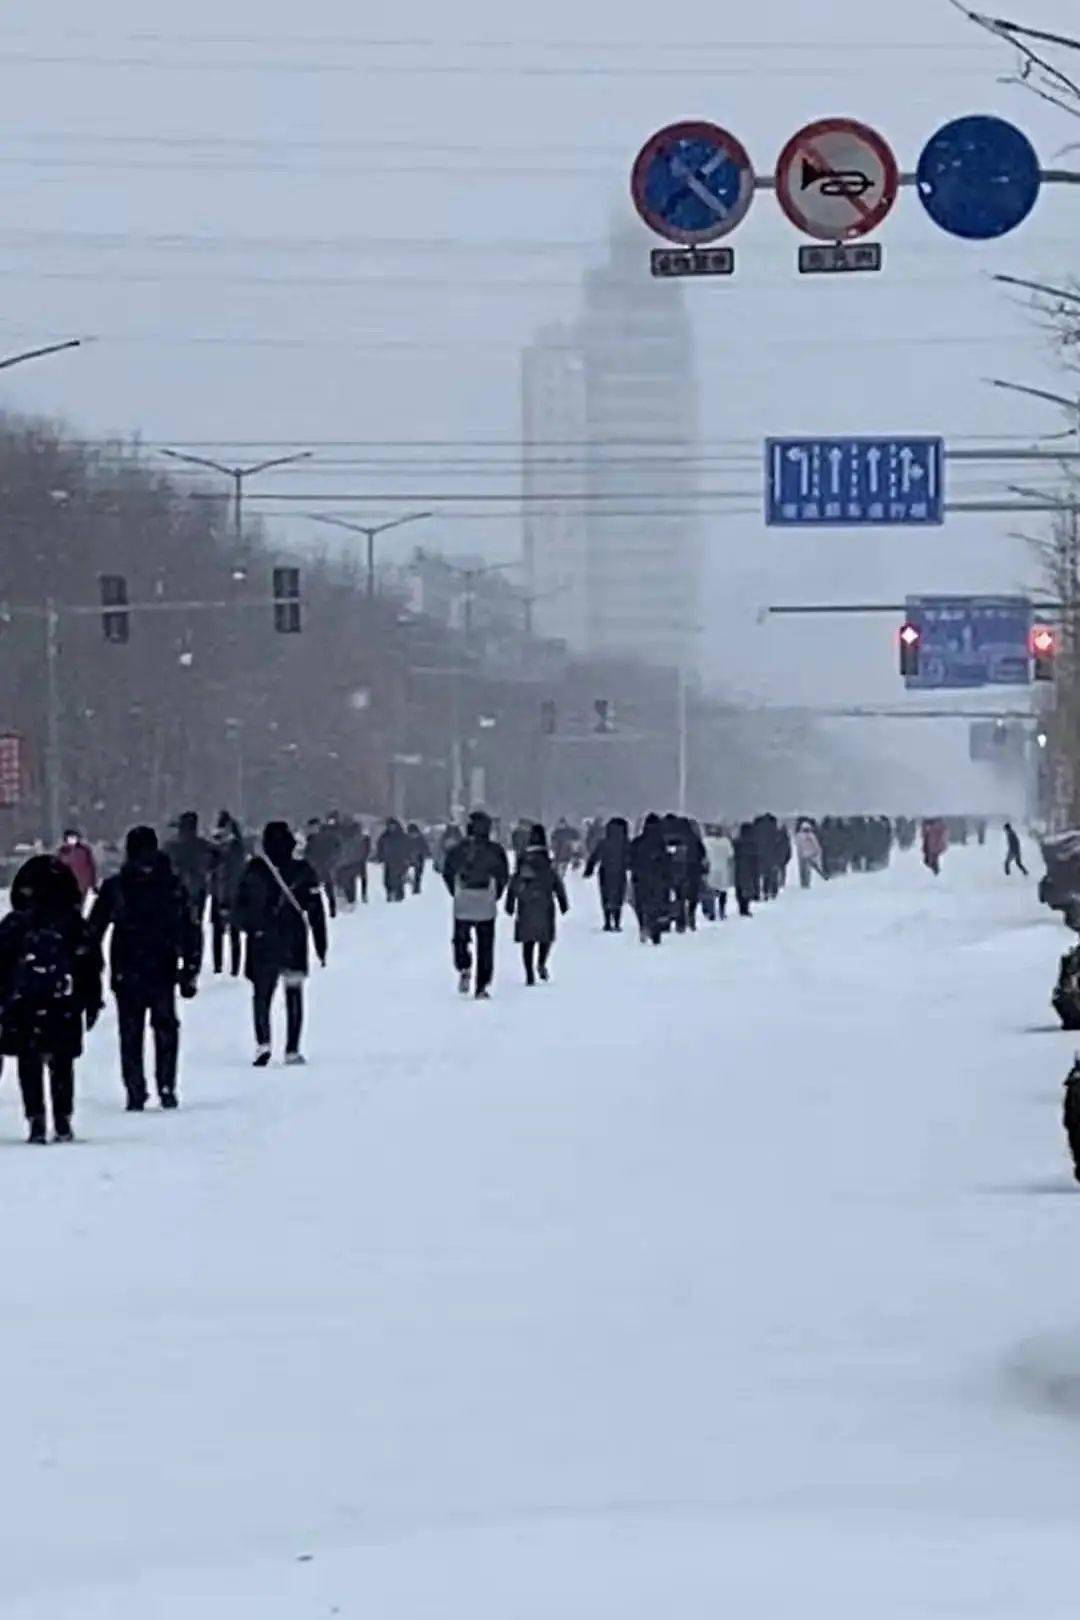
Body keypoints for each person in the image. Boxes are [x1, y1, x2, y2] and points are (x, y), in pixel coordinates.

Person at [89, 826, 200, 1111]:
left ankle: (135, 1089)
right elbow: (190, 928)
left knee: (130, 1031)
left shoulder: (117, 886)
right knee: (165, 1027)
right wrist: (190, 966)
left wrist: (91, 965)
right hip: (162, 966)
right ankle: (166, 1085)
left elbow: (94, 930)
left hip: (127, 966)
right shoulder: (172, 884)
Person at [0, 854, 102, 1142]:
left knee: (28, 1061)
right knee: (61, 1061)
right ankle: (62, 1117)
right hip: (63, 1002)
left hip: (23, 1003)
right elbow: (90, 964)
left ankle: (35, 1117)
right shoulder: (71, 924)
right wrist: (91, 1000)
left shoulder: (15, 924)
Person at [236, 821, 328, 1067]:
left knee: (262, 995)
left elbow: (239, 905)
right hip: (293, 939)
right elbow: (315, 910)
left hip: (262, 940)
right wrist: (321, 945)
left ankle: (263, 1042)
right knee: (294, 994)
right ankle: (292, 1048)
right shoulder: (303, 870)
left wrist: (251, 928)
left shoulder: (254, 870)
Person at [442, 809, 510, 998]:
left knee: (460, 938)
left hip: (463, 898)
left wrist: (454, 891)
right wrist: (496, 894)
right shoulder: (495, 851)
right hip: (485, 900)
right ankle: (482, 985)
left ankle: (464, 965)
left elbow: (447, 872)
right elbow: (503, 875)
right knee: (486, 945)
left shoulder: (459, 850)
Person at [506, 824, 569, 985]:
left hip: (526, 903)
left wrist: (510, 902)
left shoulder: (523, 859)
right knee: (545, 937)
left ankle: (529, 973)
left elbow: (515, 880)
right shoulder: (546, 859)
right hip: (545, 901)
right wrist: (563, 902)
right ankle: (541, 963)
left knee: (528, 941)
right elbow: (555, 880)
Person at [164, 810, 216, 945]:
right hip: (195, 889)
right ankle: (192, 957)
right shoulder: (202, 846)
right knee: (193, 926)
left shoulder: (172, 846)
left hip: (181, 890)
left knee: (179, 924)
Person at [210, 812, 247, 974]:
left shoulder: (232, 850)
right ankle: (226, 966)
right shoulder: (231, 850)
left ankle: (230, 966)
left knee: (228, 932)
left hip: (228, 892)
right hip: (225, 892)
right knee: (227, 932)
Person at [629, 813, 672, 945]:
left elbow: (630, 859)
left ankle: (643, 925)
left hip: (640, 878)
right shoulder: (662, 843)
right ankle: (655, 932)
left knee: (641, 905)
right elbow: (666, 863)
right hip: (659, 879)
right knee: (657, 906)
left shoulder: (637, 842)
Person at [584, 816, 631, 931]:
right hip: (620, 872)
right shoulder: (626, 842)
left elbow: (594, 856)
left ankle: (607, 922)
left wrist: (589, 869)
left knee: (605, 896)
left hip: (604, 871)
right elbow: (631, 857)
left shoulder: (604, 842)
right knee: (618, 896)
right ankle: (616, 921)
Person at [304, 816, 341, 921]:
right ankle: (315, 910)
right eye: (311, 827)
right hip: (315, 867)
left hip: (327, 866)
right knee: (313, 889)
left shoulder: (327, 836)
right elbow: (308, 853)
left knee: (329, 888)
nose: (312, 829)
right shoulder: (310, 839)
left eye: (314, 827)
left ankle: (332, 910)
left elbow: (337, 848)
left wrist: (332, 861)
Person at [335, 816, 371, 908]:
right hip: (346, 863)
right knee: (348, 882)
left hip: (352, 862)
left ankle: (351, 900)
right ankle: (349, 900)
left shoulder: (356, 835)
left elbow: (363, 847)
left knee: (350, 882)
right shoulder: (342, 834)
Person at [57, 827, 98, 907]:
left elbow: (91, 868)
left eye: (74, 837)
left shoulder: (84, 851)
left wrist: (93, 884)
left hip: (84, 886)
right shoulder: (62, 852)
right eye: (70, 837)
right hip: (68, 887)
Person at [702, 823, 735, 920]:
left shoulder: (706, 841)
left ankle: (710, 912)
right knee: (722, 891)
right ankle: (722, 911)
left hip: (711, 869)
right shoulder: (726, 842)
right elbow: (731, 855)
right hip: (723, 868)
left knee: (710, 891)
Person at [377, 817, 411, 902]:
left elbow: (408, 847)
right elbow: (380, 846)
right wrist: (380, 856)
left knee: (398, 879)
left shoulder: (402, 836)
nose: (391, 827)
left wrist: (408, 858)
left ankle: (399, 895)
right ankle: (390, 893)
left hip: (400, 860)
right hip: (388, 860)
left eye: (393, 826)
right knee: (387, 880)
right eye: (390, 826)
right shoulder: (384, 836)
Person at [734, 823, 759, 918]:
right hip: (749, 868)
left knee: (739, 887)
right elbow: (756, 857)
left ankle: (741, 907)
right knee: (748, 887)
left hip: (739, 867)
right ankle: (746, 908)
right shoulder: (753, 843)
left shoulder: (737, 842)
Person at [795, 820, 825, 890]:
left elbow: (816, 846)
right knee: (806, 870)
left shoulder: (801, 836)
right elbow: (816, 846)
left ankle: (805, 884)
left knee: (805, 870)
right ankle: (805, 884)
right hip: (807, 855)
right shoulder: (810, 836)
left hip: (806, 855)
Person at [406, 822, 431, 894]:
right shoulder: (407, 839)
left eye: (413, 833)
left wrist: (426, 853)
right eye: (411, 833)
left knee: (418, 875)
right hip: (409, 858)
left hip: (419, 859)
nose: (412, 835)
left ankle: (416, 889)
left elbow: (425, 848)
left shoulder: (421, 839)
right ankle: (411, 882)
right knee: (406, 872)